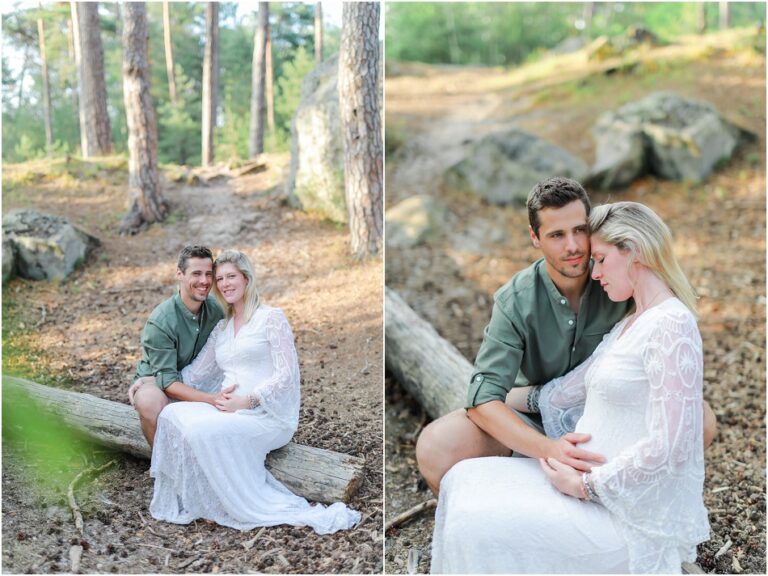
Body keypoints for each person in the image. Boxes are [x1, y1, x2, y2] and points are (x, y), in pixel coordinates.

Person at [431, 202, 710, 573]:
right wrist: (488, 398)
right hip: (581, 482)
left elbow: (671, 446)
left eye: (602, 259)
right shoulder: (630, 324)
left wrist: (586, 486)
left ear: (635, 252)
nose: (594, 272)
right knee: (464, 479)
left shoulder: (672, 324)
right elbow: (561, 393)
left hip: (620, 511)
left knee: (474, 523)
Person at [415, 177, 717, 494]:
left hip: (611, 410)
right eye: (557, 235)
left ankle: (631, 496)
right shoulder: (516, 300)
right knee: (438, 446)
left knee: (700, 420)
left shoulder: (619, 276)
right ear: (535, 237)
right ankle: (524, 491)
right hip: (535, 419)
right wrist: (549, 447)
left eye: (579, 231)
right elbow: (482, 400)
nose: (572, 246)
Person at [148, 249, 361, 534]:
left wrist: (248, 400)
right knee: (171, 414)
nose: (224, 284)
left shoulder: (270, 318)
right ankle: (201, 497)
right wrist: (153, 380)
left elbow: (286, 374)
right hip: (227, 407)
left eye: (231, 277)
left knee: (202, 432)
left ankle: (224, 502)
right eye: (220, 278)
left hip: (265, 413)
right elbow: (195, 374)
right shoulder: (221, 328)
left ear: (246, 278)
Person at [128, 245, 227, 447]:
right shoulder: (161, 321)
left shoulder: (215, 310)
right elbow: (167, 383)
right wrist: (211, 399)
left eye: (209, 274)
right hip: (159, 381)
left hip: (198, 378)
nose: (204, 281)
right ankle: (162, 464)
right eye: (196, 273)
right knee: (149, 402)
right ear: (179, 274)